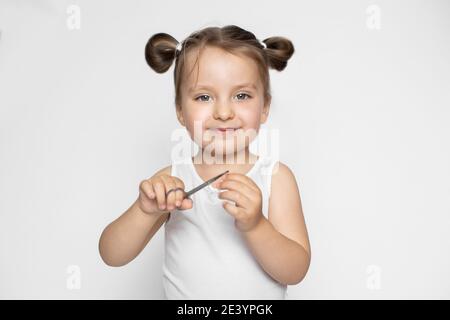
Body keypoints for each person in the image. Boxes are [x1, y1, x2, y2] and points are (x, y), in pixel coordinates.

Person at [99, 25, 311, 299]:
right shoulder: (171, 181)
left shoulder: (276, 177)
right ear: (180, 111)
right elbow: (111, 255)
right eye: (204, 97)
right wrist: (144, 210)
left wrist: (257, 225)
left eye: (242, 95)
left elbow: (295, 271)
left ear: (265, 107)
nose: (223, 112)